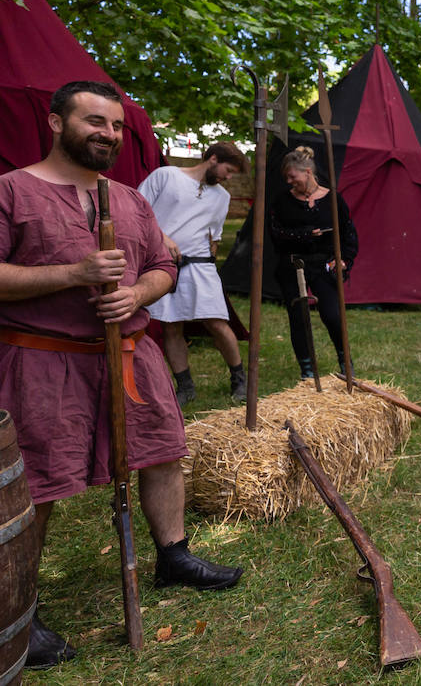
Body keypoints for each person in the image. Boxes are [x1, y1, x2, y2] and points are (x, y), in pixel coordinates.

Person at [0, 81, 244, 670]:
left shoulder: (130, 199)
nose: (107, 134)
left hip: (131, 354)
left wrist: (137, 290)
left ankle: (173, 555)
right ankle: (15, 611)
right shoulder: (12, 190)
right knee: (36, 483)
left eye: (115, 126)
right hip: (43, 359)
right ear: (57, 122)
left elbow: (165, 263)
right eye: (93, 121)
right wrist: (73, 273)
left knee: (161, 452)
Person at [138, 142, 249, 405]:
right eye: (228, 170)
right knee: (172, 325)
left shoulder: (222, 196)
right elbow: (138, 212)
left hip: (200, 266)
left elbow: (215, 236)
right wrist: (162, 238)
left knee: (217, 322)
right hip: (163, 263)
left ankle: (239, 379)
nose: (229, 177)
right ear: (212, 159)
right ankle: (185, 386)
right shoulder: (166, 176)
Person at [268, 146, 358, 379]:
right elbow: (276, 233)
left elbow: (348, 233)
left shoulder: (333, 199)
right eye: (286, 177)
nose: (289, 181)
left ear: (307, 172)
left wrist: (344, 260)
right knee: (299, 317)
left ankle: (345, 362)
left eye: (292, 176)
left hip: (323, 266)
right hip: (293, 266)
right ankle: (307, 371)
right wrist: (305, 235)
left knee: (332, 315)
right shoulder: (282, 201)